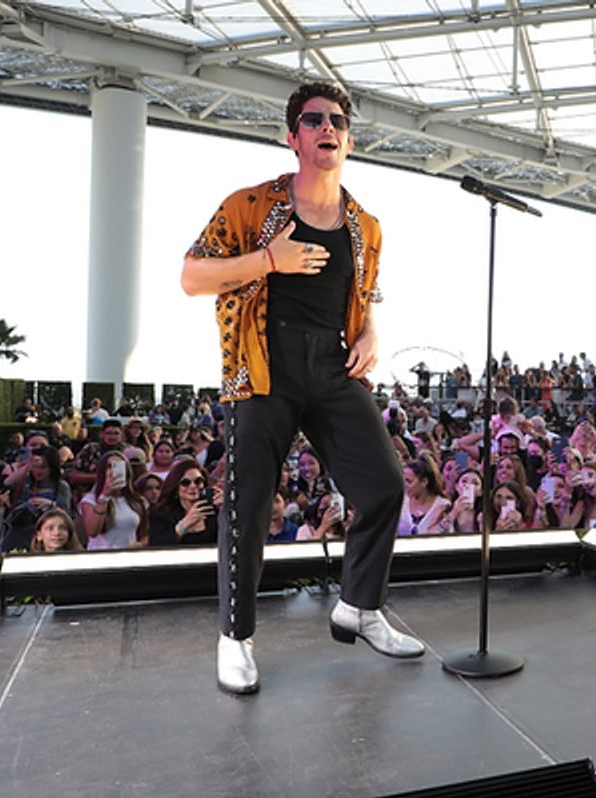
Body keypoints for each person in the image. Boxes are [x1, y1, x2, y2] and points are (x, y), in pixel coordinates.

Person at [181, 80, 421, 694]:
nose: (327, 127)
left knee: (385, 484)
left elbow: (361, 296)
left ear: (349, 138)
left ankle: (359, 607)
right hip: (263, 366)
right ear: (293, 137)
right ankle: (234, 638)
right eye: (313, 119)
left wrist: (370, 332)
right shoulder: (251, 206)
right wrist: (269, 260)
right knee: (249, 506)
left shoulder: (366, 225)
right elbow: (191, 275)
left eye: (338, 120)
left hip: (334, 368)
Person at [78, 452, 148, 550]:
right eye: (110, 466)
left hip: (128, 557)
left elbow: (145, 534)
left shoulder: (138, 501)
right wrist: (104, 496)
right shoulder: (90, 500)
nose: (114, 470)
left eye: (119, 466)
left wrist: (139, 545)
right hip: (101, 558)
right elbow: (92, 531)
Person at [147, 458, 219, 547]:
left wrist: (227, 507)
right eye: (185, 483)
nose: (193, 486)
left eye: (198, 481)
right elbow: (156, 546)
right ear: (176, 487)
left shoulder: (215, 511)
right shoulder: (160, 514)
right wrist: (184, 524)